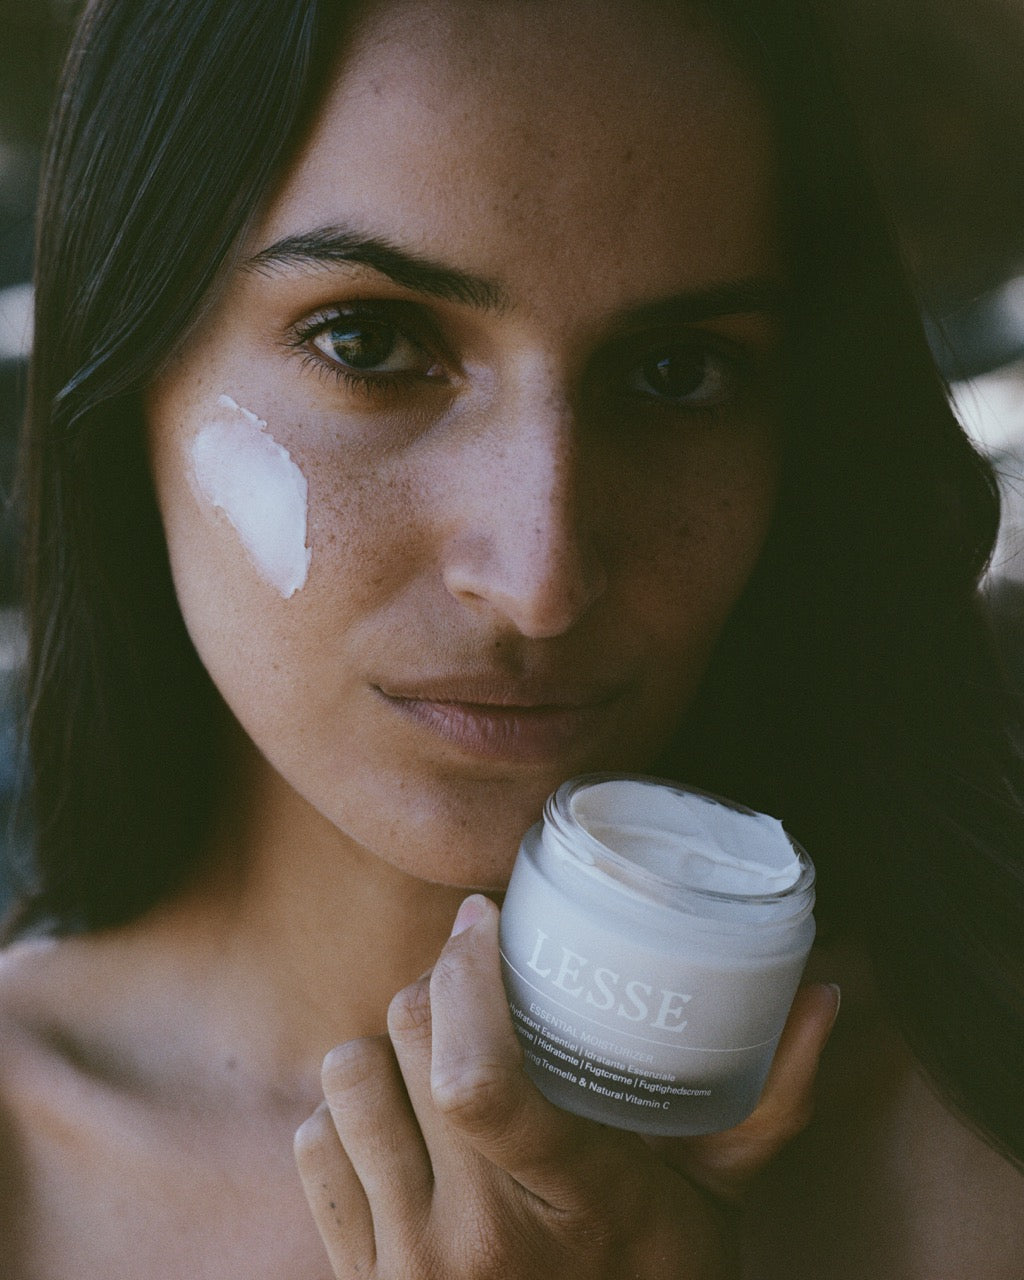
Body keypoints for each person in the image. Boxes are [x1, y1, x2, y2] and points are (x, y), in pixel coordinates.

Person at [1, 0, 1022, 1275]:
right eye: (371, 343)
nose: (541, 580)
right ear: (125, 365)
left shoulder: (970, 1142)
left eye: (675, 373)